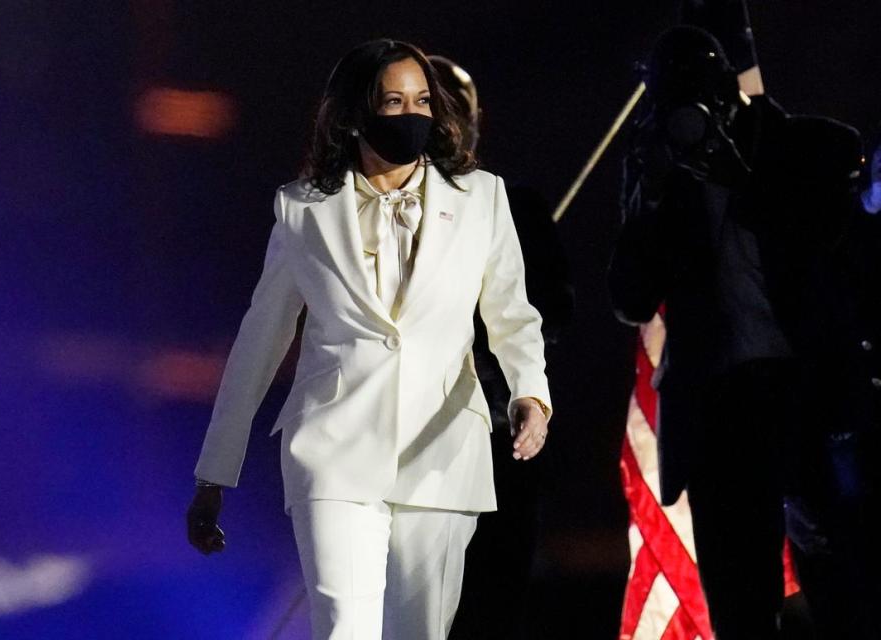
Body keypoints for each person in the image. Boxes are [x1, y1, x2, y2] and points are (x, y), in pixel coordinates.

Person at [185, 39, 552, 640]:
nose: (412, 114)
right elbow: (260, 341)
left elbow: (512, 313)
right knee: (342, 629)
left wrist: (530, 395)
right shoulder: (303, 209)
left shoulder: (482, 197)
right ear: (354, 114)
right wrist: (213, 474)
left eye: (422, 100)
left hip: (442, 453)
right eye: (392, 101)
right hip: (332, 451)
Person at [608, 24, 874, 638]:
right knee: (741, 604)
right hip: (718, 408)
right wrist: (646, 198)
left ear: (732, 89)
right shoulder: (663, 169)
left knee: (846, 585)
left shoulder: (806, 145)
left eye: (699, 94)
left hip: (809, 396)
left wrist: (741, 176)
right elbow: (629, 300)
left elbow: (835, 252)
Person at [427, 55, 574, 640]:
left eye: (460, 107)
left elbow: (553, 311)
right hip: (412, 441)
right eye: (438, 107)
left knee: (495, 596)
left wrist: (497, 316)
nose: (451, 121)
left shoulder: (518, 206)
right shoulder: (381, 209)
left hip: (498, 440)